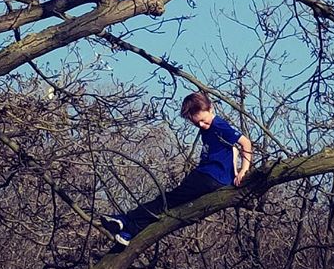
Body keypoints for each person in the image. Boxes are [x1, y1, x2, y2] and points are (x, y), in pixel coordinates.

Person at [100, 92, 253, 247]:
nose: (201, 125)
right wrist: (234, 172)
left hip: (207, 177)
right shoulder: (209, 129)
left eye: (203, 120)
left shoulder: (219, 124)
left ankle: (125, 220)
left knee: (166, 201)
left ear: (210, 108)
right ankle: (129, 232)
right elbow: (232, 149)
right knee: (173, 205)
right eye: (196, 123)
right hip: (213, 178)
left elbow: (246, 143)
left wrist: (244, 170)